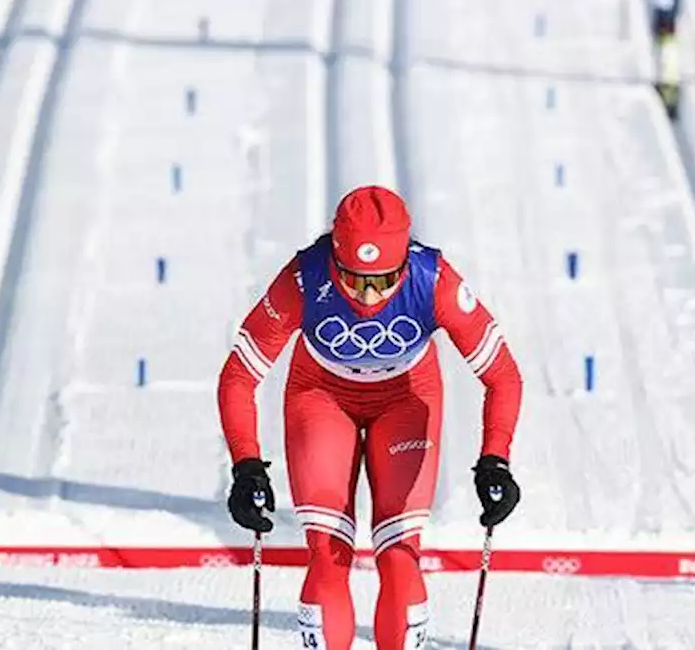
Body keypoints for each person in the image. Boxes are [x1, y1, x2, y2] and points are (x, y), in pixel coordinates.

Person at [216, 185, 524, 649]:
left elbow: (503, 375)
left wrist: (495, 459)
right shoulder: (304, 278)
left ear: (404, 263)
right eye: (354, 278)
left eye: (383, 280)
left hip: (406, 399)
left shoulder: (432, 278)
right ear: (334, 257)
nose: (368, 296)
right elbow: (238, 375)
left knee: (400, 553)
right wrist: (246, 466)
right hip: (321, 396)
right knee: (326, 553)